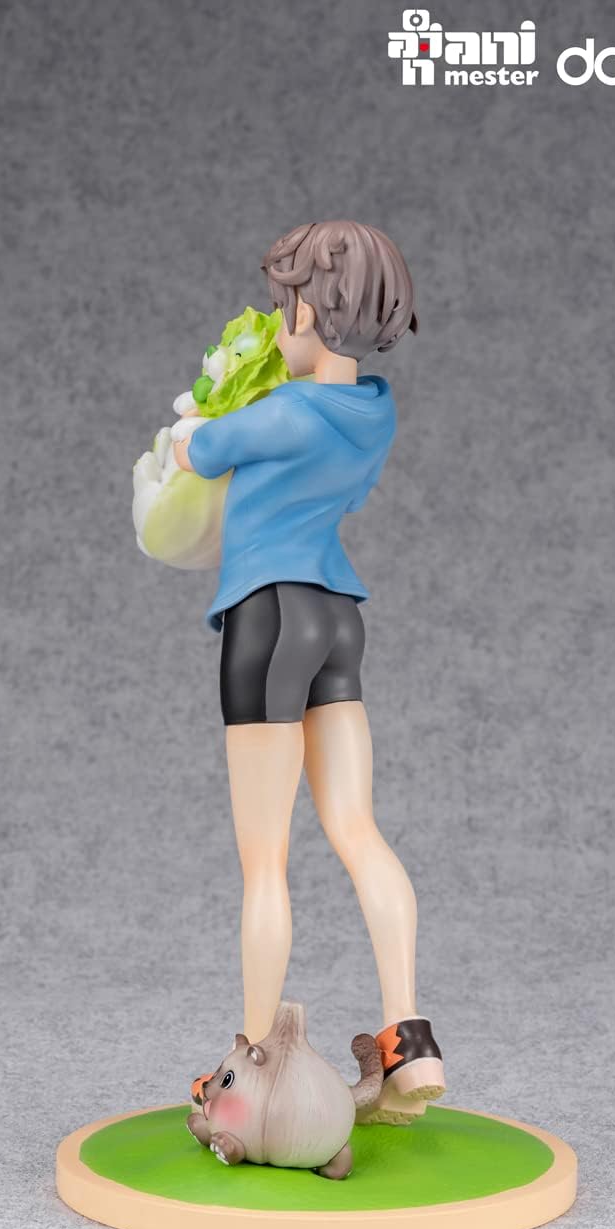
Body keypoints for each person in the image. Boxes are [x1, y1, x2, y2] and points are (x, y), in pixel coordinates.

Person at [175, 221, 443, 1124]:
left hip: (269, 616)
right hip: (337, 619)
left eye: (283, 302)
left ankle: (249, 1069)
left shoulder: (284, 413)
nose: (275, 318)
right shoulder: (375, 412)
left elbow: (198, 451)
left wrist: (199, 420)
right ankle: (409, 1040)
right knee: (357, 828)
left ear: (309, 311)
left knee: (265, 863)